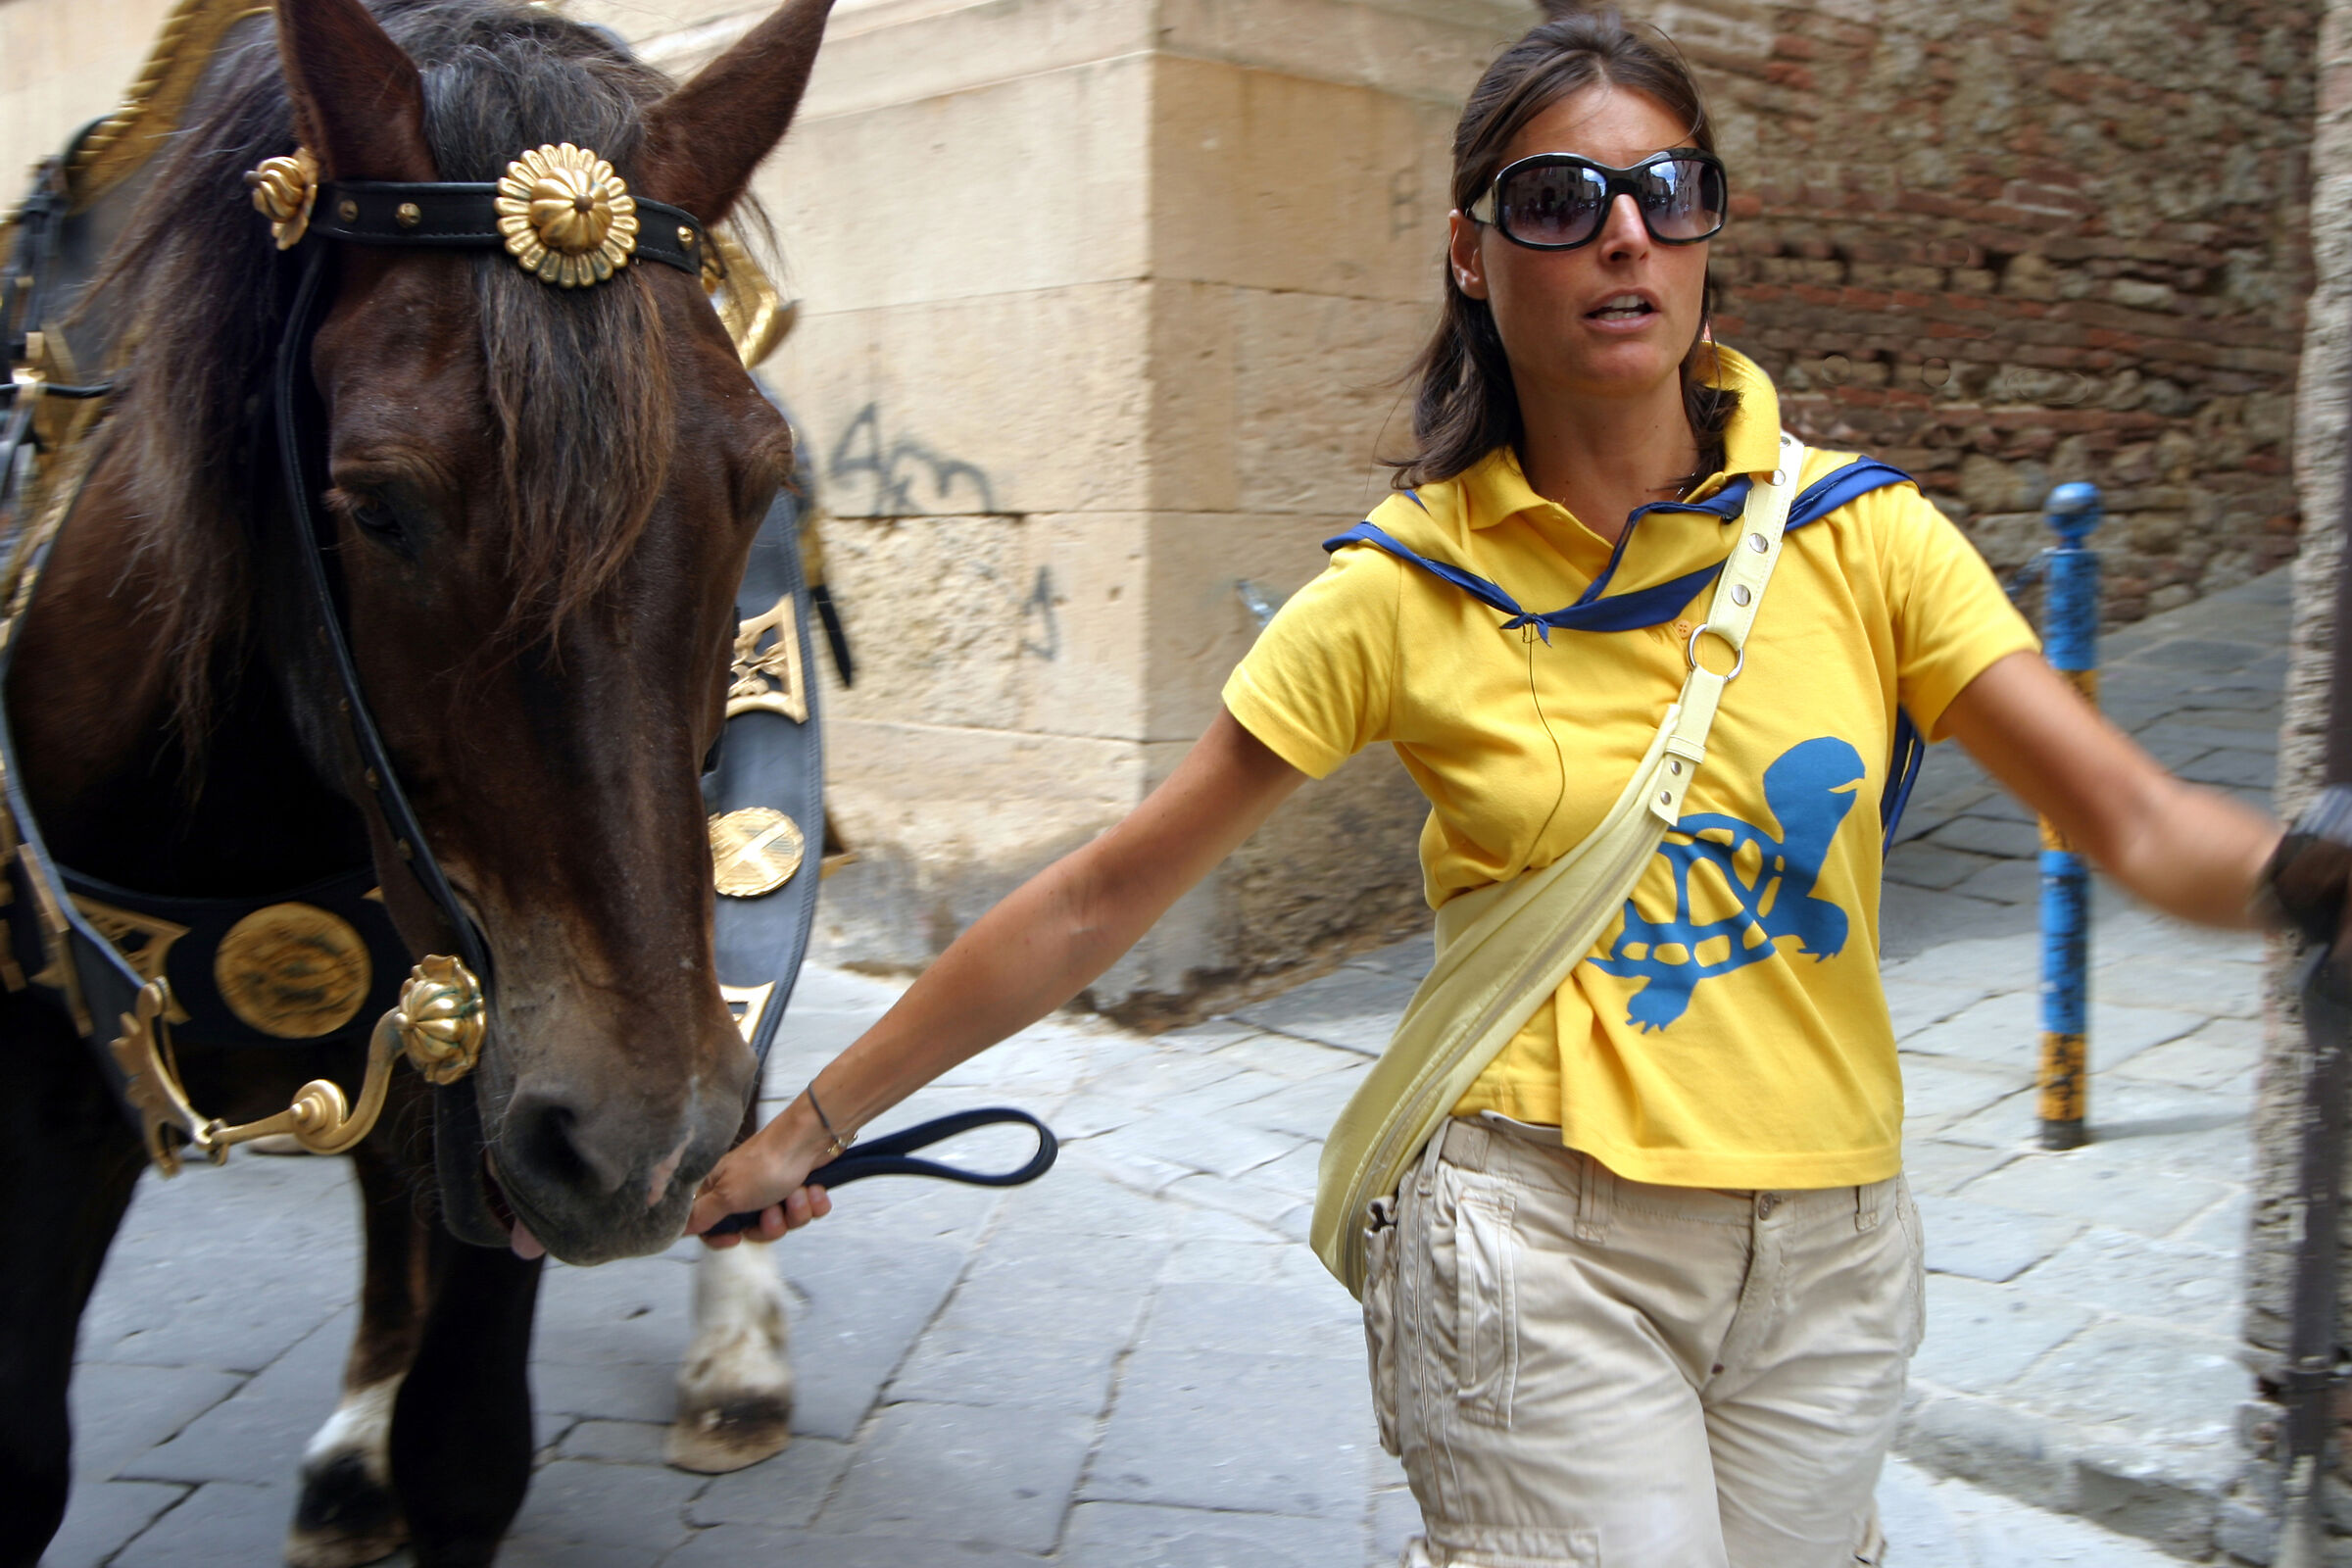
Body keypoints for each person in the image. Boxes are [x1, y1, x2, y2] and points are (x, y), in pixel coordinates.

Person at [687, 11, 2284, 1565]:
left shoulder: (1863, 540)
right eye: (1558, 202)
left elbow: (2136, 820)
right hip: (1537, 1237)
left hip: (1833, 1256)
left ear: (1710, 225)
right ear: (1473, 250)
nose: (1624, 241)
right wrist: (807, 1125)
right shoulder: (1400, 593)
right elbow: (1104, 896)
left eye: (1669, 192)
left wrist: (2308, 877)